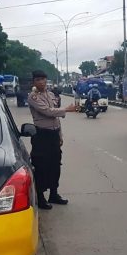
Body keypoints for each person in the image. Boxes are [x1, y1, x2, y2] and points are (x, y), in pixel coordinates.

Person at [27, 70, 77, 209]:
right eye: (38, 80)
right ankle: (41, 197)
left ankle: (54, 194)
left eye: (43, 79)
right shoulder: (33, 97)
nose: (41, 82)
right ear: (34, 82)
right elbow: (48, 112)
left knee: (55, 165)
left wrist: (60, 135)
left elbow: (55, 118)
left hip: (53, 134)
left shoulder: (50, 94)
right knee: (41, 166)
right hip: (42, 135)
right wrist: (66, 110)